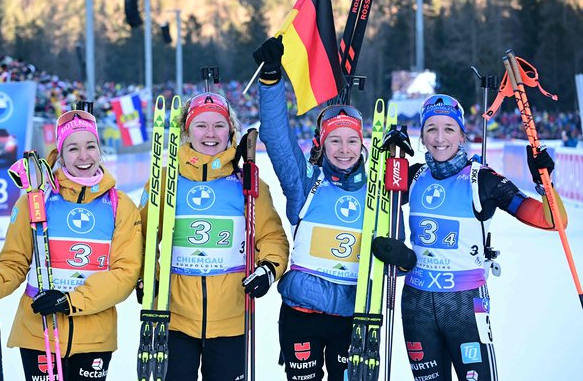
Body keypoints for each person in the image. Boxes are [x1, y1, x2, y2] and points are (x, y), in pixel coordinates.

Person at [253, 37, 416, 381]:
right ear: (322, 143)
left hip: (354, 314)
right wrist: (270, 80)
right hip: (302, 311)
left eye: (352, 140)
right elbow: (277, 137)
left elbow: (396, 261)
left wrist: (401, 257)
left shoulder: (378, 191)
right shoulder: (305, 181)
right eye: (335, 140)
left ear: (363, 143)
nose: (344, 149)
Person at [379, 94, 568, 381]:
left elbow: (552, 220)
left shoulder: (484, 180)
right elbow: (376, 202)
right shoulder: (415, 176)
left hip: (464, 305)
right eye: (431, 129)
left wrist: (545, 183)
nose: (440, 138)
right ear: (422, 136)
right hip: (416, 303)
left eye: (449, 129)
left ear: (462, 135)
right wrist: (387, 157)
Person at [0, 108, 143, 381]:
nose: (84, 156)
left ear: (100, 149)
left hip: (95, 335)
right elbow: (14, 262)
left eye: (90, 146)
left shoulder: (121, 206)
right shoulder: (35, 200)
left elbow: (125, 273)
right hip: (39, 330)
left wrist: (70, 301)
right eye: (73, 148)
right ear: (60, 153)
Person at [138, 92, 289, 380]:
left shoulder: (249, 184)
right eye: (201, 125)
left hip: (231, 321)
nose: (210, 134)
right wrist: (148, 276)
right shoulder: (163, 180)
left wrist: (268, 269)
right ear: (187, 131)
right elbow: (141, 238)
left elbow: (272, 237)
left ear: (231, 131)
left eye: (219, 125)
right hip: (173, 321)